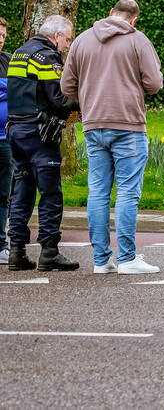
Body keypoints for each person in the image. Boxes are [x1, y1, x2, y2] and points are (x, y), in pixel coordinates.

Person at [61, 0, 164, 275]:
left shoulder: (82, 40)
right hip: (128, 123)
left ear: (110, 13)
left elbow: (67, 85)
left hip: (94, 123)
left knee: (98, 192)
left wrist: (89, 94)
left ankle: (101, 259)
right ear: (134, 19)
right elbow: (154, 84)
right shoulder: (138, 40)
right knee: (128, 192)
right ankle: (128, 258)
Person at [6, 15, 79, 271]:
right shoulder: (46, 57)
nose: (67, 45)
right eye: (67, 39)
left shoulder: (18, 53)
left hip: (16, 130)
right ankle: (49, 251)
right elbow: (58, 98)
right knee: (50, 192)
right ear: (57, 35)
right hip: (40, 134)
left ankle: (16, 251)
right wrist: (81, 106)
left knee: (21, 191)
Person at [0, 18, 11, 265]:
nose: (0, 38)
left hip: (6, 139)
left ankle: (1, 244)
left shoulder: (9, 60)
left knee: (3, 194)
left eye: (3, 35)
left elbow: (22, 88)